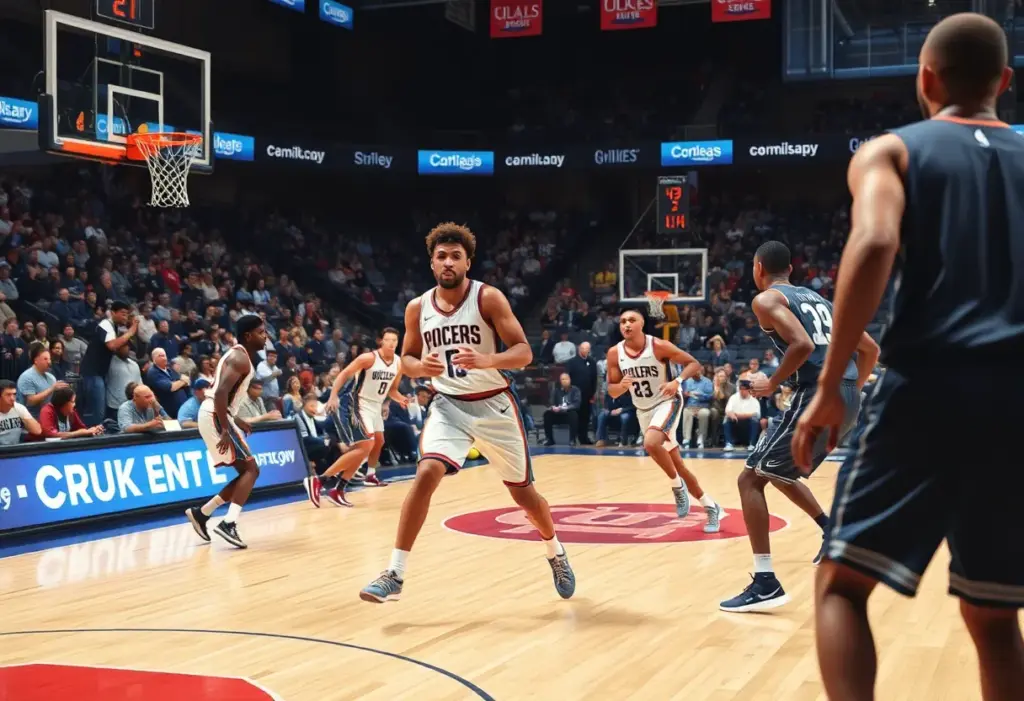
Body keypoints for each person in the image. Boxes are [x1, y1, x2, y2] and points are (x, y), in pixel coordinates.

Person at [792, 14, 1024, 700]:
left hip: (929, 381)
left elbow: (871, 244)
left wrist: (832, 384)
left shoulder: (890, 151)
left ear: (925, 78)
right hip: (1016, 395)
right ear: (1005, 84)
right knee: (993, 611)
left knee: (840, 582)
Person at [359, 222, 575, 604]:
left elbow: (524, 351)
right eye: (441, 256)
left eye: (455, 256)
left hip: (494, 405)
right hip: (448, 405)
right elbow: (406, 360)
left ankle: (555, 551)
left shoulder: (488, 298)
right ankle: (395, 573)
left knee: (526, 498)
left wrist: (488, 358)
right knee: (426, 472)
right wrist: (417, 367)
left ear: (467, 263)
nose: (448, 261)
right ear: (432, 263)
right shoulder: (417, 308)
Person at [719, 241, 879, 613]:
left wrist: (772, 383)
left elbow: (802, 344)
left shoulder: (766, 300)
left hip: (816, 395)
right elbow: (870, 350)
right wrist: (848, 390)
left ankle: (765, 582)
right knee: (777, 473)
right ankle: (831, 530)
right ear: (790, 268)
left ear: (758, 268)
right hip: (847, 396)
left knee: (749, 479)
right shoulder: (820, 301)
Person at [605, 309, 722, 532]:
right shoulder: (614, 353)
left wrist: (676, 381)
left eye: (632, 320)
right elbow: (611, 391)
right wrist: (621, 387)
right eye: (622, 321)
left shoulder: (658, 345)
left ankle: (677, 487)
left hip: (668, 402)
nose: (626, 324)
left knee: (650, 443)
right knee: (677, 464)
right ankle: (710, 506)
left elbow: (694, 364)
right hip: (643, 410)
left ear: (641, 324)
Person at [184, 316, 268, 550]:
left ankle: (203, 513)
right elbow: (220, 393)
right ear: (248, 335)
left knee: (246, 472)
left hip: (218, 413)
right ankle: (228, 523)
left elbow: (225, 395)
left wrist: (236, 419)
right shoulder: (240, 357)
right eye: (261, 332)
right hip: (214, 414)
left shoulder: (241, 356)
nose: (266, 336)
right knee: (251, 470)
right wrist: (224, 428)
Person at [315, 328, 405, 506]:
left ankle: (346, 485)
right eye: (388, 340)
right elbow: (344, 373)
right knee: (366, 445)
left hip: (376, 406)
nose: (392, 343)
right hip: (359, 403)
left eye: (395, 340)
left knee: (377, 442)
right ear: (381, 341)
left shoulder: (398, 363)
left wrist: (401, 399)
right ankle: (322, 480)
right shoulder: (368, 358)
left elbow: (392, 390)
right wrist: (333, 395)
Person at [40, 386, 104, 439]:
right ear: (63, 402)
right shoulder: (47, 411)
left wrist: (91, 430)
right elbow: (51, 435)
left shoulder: (71, 412)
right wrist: (80, 433)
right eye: (72, 402)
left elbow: (81, 429)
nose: (74, 404)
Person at [0, 379, 41, 445]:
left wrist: (22, 415)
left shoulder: (19, 408)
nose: (12, 398)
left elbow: (37, 431)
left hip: (16, 450)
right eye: (8, 395)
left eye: (14, 394)